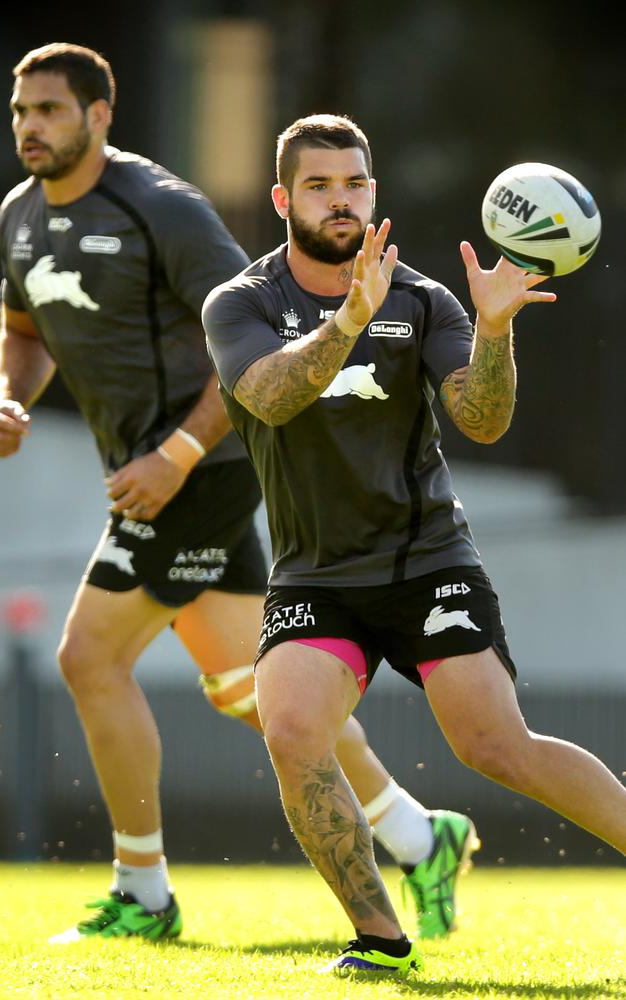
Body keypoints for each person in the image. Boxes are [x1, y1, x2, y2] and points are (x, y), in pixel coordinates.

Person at [0, 45, 477, 945]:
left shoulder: (161, 208)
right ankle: (419, 833)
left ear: (100, 115)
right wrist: (8, 393)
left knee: (88, 658)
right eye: (20, 112)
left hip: (197, 473)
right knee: (249, 685)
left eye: (48, 110)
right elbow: (23, 326)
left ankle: (144, 891)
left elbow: (249, 340)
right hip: (142, 473)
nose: (28, 128)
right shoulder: (18, 215)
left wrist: (173, 454)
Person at [202, 113, 626, 977]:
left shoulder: (425, 299)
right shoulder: (240, 302)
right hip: (316, 575)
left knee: (497, 748)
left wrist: (497, 329)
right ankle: (382, 940)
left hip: (428, 560)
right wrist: (345, 322)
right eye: (318, 185)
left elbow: (484, 418)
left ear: (372, 191)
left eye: (354, 182)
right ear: (284, 198)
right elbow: (272, 397)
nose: (340, 199)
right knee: (289, 729)